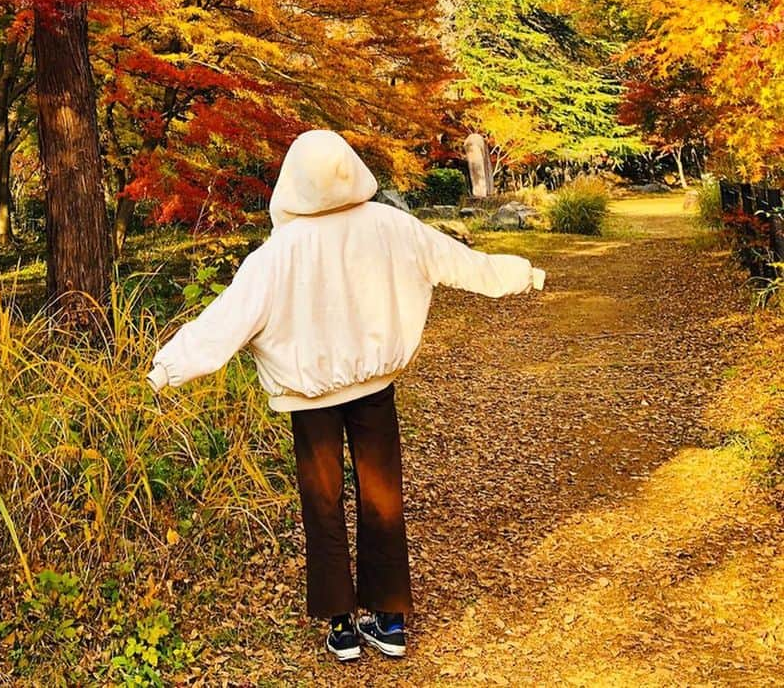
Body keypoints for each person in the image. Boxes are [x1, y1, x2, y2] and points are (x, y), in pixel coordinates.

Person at [146, 129, 545, 663]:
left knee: (323, 501)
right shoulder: (389, 227)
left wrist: (165, 369)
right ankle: (388, 617)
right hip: (375, 388)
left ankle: (340, 622)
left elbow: (223, 323)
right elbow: (463, 264)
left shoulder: (278, 254)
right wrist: (525, 275)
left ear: (294, 181)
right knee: (383, 494)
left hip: (308, 400)